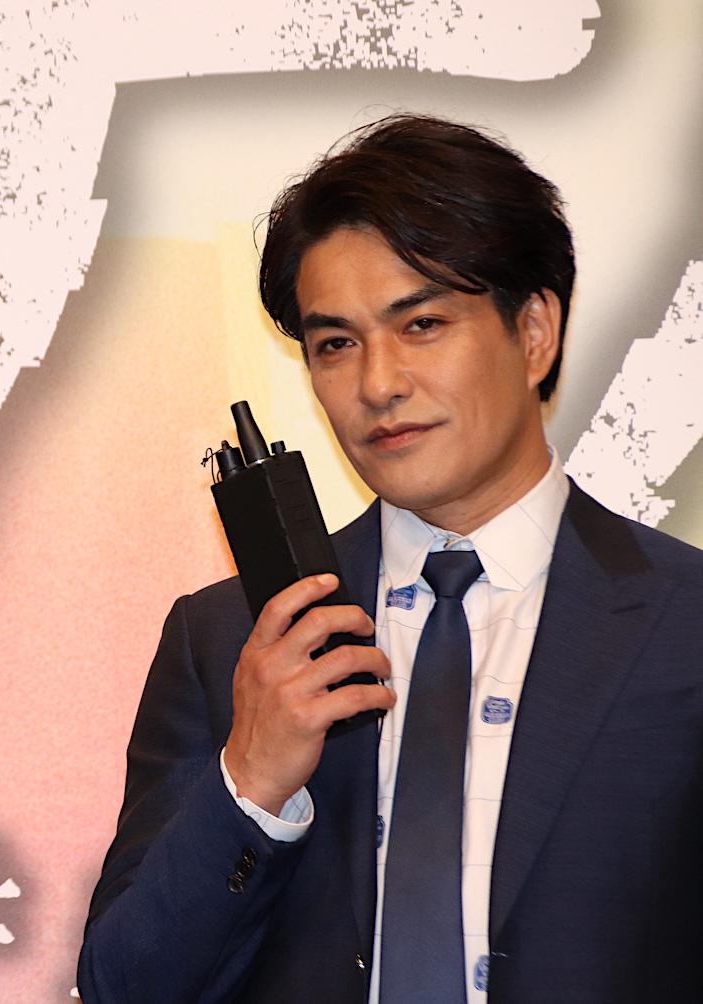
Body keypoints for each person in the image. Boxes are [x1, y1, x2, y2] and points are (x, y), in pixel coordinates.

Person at [78, 114, 703, 1002]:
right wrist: (250, 783)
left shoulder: (684, 626)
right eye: (336, 344)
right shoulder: (226, 639)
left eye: (423, 324)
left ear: (534, 332)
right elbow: (124, 987)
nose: (377, 384)